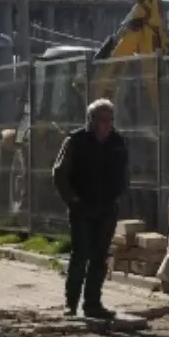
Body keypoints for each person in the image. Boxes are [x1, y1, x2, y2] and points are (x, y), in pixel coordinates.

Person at [52, 97, 129, 320]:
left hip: (107, 207)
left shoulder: (117, 142)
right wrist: (72, 200)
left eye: (110, 120)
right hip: (82, 207)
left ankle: (93, 304)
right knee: (80, 255)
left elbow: (124, 173)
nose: (107, 125)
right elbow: (59, 173)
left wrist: (118, 195)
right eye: (102, 120)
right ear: (91, 121)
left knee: (99, 257)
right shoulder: (76, 141)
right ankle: (71, 304)